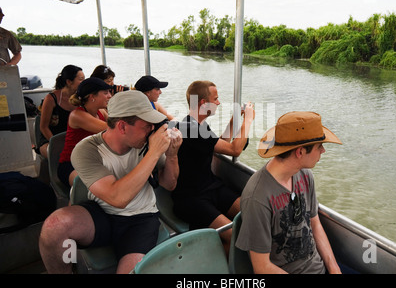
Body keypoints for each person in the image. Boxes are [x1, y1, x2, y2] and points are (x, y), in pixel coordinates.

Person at [39, 90, 182, 274]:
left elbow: (169, 184)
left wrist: (171, 155)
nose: (152, 130)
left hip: (141, 219)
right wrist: (154, 152)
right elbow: (117, 198)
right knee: (54, 227)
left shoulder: (146, 144)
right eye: (147, 125)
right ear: (122, 127)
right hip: (101, 212)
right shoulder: (87, 149)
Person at [235, 111, 342, 274]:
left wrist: (334, 269)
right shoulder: (257, 197)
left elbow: (315, 223)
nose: (323, 151)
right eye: (319, 146)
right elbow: (261, 267)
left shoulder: (305, 175)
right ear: (300, 152)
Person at [172, 80, 255, 253]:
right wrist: (248, 119)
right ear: (203, 103)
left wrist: (235, 120)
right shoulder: (190, 129)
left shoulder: (198, 125)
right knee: (236, 237)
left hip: (210, 187)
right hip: (192, 198)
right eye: (215, 99)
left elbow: (222, 144)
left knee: (254, 215)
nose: (218, 103)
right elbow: (235, 149)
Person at [57, 77, 112, 189]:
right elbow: (112, 130)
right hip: (71, 165)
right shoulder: (77, 115)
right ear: (92, 96)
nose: (110, 96)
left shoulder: (101, 112)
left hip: (94, 161)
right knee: (86, 187)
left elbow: (115, 125)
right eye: (105, 93)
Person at [37, 65, 84, 158]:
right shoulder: (51, 99)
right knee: (60, 155)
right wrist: (56, 143)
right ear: (69, 82)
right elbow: (44, 127)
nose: (84, 82)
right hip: (51, 140)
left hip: (73, 140)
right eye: (81, 79)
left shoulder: (81, 98)